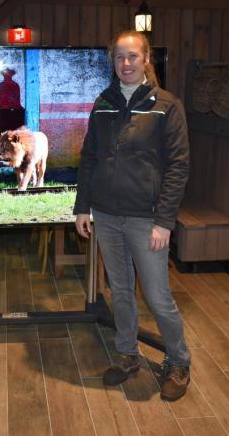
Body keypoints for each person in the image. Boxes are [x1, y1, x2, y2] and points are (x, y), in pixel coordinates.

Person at [74, 30, 191, 401]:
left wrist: (164, 222)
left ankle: (178, 361)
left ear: (146, 60)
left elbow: (178, 167)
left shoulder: (166, 106)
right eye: (119, 57)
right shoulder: (103, 103)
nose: (125, 63)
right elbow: (89, 157)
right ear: (114, 62)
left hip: (147, 219)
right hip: (107, 216)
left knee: (157, 297)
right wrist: (82, 206)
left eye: (132, 57)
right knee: (120, 292)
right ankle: (127, 354)